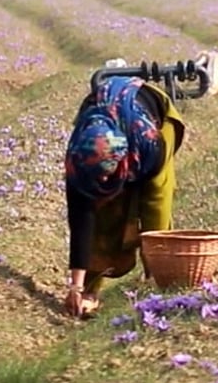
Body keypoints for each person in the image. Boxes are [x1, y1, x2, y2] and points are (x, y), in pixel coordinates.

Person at [63, 76, 186, 317]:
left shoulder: (151, 144)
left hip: (154, 118)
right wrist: (77, 286)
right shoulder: (79, 159)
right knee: (104, 212)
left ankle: (157, 280)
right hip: (108, 121)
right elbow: (81, 219)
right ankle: (90, 291)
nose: (105, 183)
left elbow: (155, 204)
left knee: (154, 207)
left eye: (109, 177)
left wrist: (156, 269)